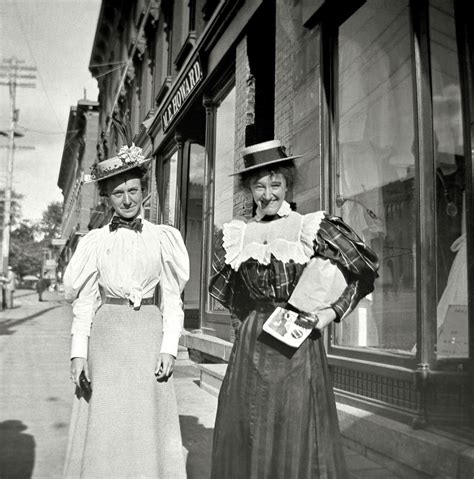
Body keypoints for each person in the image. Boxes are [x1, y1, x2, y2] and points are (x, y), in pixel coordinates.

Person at [209, 140, 379, 478]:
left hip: (298, 345)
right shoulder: (238, 234)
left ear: (287, 184)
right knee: (248, 427)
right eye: (259, 185)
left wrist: (329, 314)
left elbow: (364, 271)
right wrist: (244, 334)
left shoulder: (311, 226)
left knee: (295, 428)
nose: (268, 194)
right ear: (249, 189)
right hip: (250, 347)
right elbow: (234, 298)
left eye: (275, 184)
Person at [62, 144, 189, 478]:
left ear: (144, 191)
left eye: (133, 190)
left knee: (145, 422)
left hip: (148, 334)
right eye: (118, 193)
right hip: (107, 340)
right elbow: (85, 301)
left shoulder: (163, 238)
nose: (127, 200)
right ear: (107, 197)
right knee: (107, 422)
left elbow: (173, 300)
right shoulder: (95, 241)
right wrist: (79, 353)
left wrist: (169, 347)